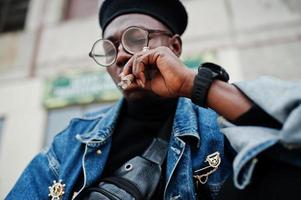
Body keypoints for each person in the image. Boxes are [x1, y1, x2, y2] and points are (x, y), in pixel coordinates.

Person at [6, 0, 301, 199]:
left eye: (136, 39)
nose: (120, 55)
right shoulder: (72, 141)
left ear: (174, 46)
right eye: (109, 48)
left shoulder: (220, 124)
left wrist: (194, 85)